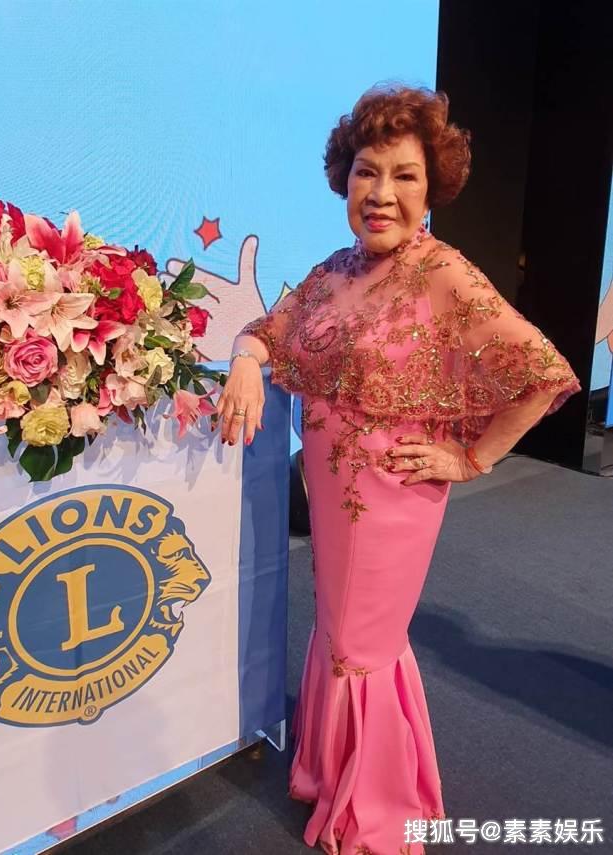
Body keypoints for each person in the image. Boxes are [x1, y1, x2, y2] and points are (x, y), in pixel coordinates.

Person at [216, 84, 582, 855]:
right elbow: (268, 329)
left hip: (394, 493)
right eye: (366, 172)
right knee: (340, 630)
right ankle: (331, 770)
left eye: (403, 175)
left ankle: (375, 809)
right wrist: (246, 360)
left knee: (361, 642)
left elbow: (542, 373)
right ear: (343, 179)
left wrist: (472, 455)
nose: (381, 193)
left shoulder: (442, 272)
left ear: (431, 186)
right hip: (330, 490)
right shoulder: (333, 270)